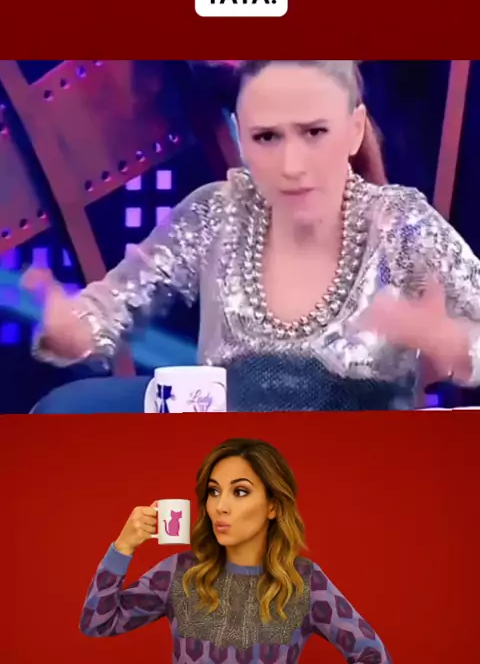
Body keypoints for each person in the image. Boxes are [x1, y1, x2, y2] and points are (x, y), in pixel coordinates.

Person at [25, 60, 480, 412]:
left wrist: (453, 343)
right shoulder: (215, 212)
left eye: (314, 133)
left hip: (356, 467)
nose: (292, 165)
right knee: (67, 411)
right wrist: (73, 328)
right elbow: (109, 308)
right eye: (267, 138)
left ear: (355, 130)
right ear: (241, 138)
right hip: (233, 470)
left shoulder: (401, 224)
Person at [80, 438, 393, 662]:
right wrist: (123, 546)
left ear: (272, 506)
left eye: (240, 492)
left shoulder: (303, 582)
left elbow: (372, 655)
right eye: (214, 492)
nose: (221, 506)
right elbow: (97, 624)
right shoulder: (181, 572)